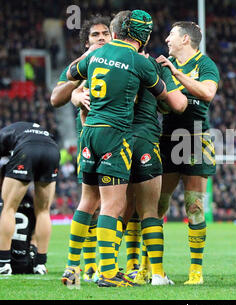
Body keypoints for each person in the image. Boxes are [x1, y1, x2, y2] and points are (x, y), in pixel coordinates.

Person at [62, 9, 169, 288]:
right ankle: (107, 272)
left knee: (87, 201)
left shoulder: (93, 56)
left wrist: (75, 92)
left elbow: (72, 75)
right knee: (114, 204)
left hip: (88, 131)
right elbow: (166, 98)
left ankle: (72, 268)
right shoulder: (137, 60)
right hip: (115, 135)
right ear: (140, 34)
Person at [106, 10, 187, 286]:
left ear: (116, 34)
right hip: (145, 139)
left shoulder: (108, 60)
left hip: (116, 140)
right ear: (145, 36)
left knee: (116, 209)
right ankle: (157, 274)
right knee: (149, 211)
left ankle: (107, 268)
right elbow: (177, 104)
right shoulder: (153, 64)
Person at [156, 21, 220, 285]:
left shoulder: (205, 65)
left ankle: (196, 272)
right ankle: (153, 268)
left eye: (171, 35)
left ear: (185, 39)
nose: (167, 39)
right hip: (167, 138)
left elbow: (206, 93)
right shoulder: (162, 66)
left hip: (195, 139)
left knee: (193, 206)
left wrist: (176, 74)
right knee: (157, 205)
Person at [52, 14, 112, 282]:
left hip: (119, 138)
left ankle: (111, 264)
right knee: (93, 203)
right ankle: (88, 266)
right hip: (89, 140)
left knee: (112, 205)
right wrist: (75, 92)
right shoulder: (80, 64)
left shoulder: (121, 61)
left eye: (105, 33)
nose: (101, 38)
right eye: (95, 35)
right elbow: (56, 98)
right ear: (86, 41)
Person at [0, 122, 60, 275]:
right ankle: (40, 264)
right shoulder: (30, 129)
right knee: (43, 211)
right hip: (52, 150)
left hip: (27, 150)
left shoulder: (3, 135)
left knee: (8, 208)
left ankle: (4, 263)